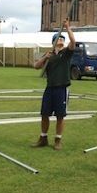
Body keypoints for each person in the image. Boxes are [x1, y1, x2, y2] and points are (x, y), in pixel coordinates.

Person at [32, 19, 75, 150]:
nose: (61, 40)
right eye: (58, 39)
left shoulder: (66, 53)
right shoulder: (49, 54)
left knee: (60, 116)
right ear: (54, 42)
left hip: (62, 88)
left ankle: (58, 140)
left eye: (62, 39)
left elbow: (73, 42)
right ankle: (43, 138)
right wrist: (45, 57)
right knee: (44, 114)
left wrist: (67, 28)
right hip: (49, 88)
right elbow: (36, 66)